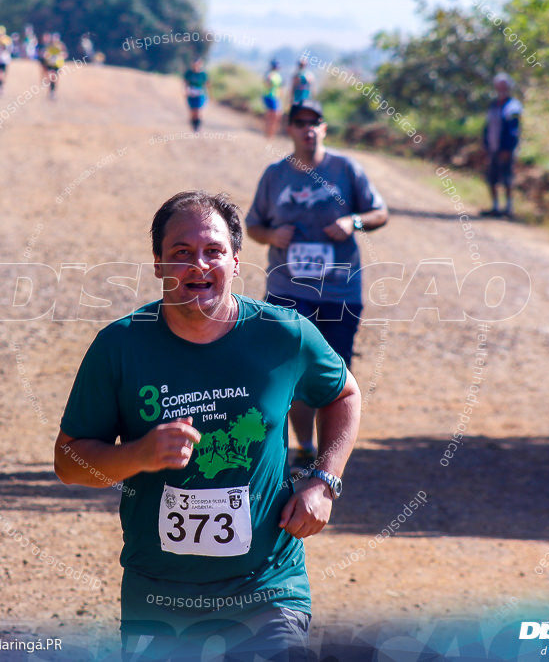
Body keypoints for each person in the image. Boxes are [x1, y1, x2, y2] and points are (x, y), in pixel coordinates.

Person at [54, 190, 361, 660]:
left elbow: (343, 393)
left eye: (213, 251)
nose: (199, 264)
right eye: (181, 253)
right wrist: (137, 454)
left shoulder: (283, 335)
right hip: (158, 594)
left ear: (235, 262)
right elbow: (69, 462)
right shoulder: (119, 347)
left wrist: (323, 481)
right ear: (157, 264)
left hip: (267, 591)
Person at [246, 99, 387, 470]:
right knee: (291, 368)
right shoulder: (275, 175)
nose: (308, 129)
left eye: (315, 122)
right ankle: (305, 446)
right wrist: (272, 235)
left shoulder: (345, 170)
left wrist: (353, 222)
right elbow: (253, 226)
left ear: (324, 128)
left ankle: (329, 457)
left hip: (340, 290)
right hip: (288, 289)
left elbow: (380, 212)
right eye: (300, 123)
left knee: (334, 372)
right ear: (289, 129)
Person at [481, 72, 522, 218]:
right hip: (492, 148)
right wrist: (485, 145)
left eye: (503, 86)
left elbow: (514, 130)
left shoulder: (514, 106)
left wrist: (508, 148)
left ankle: (509, 208)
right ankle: (495, 207)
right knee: (492, 178)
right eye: (498, 86)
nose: (501, 89)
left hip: (506, 149)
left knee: (507, 179)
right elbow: (487, 126)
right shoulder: (493, 105)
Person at [183, 58, 209, 132]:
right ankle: (193, 124)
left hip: (200, 95)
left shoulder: (203, 74)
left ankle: (197, 126)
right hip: (191, 94)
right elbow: (185, 83)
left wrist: (209, 94)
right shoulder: (188, 73)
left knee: (198, 110)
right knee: (192, 111)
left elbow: (207, 84)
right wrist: (185, 91)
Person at [42, 33, 68, 100]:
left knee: (54, 79)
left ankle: (52, 92)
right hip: (50, 64)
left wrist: (63, 55)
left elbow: (65, 53)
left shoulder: (61, 45)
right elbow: (44, 53)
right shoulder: (49, 45)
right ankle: (51, 92)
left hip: (57, 64)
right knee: (51, 77)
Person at [263, 59, 284, 139]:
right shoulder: (270, 74)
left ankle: (270, 132)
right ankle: (268, 133)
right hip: (270, 96)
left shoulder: (278, 75)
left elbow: (280, 87)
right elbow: (267, 83)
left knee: (274, 115)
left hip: (275, 97)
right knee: (273, 115)